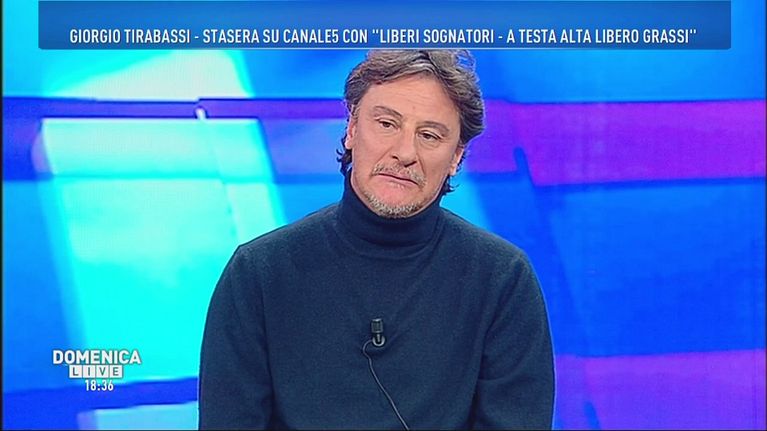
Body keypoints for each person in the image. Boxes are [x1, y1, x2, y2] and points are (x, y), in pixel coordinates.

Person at [199, 49, 554, 430]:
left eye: (429, 135)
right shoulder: (259, 274)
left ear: (456, 157)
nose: (404, 153)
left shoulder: (502, 279)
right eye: (387, 124)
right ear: (352, 129)